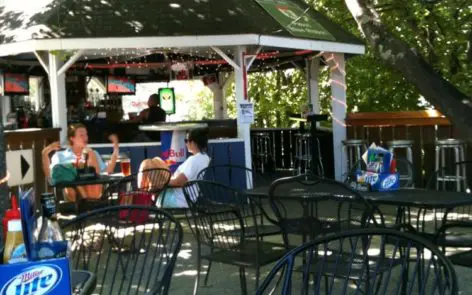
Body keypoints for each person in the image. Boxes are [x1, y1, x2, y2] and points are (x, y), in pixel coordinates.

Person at [42, 123, 120, 202]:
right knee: (69, 183)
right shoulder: (61, 155)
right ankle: (86, 204)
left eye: (86, 134)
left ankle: (89, 203)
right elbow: (50, 177)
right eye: (81, 135)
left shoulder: (93, 154)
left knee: (91, 154)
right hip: (72, 194)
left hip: (93, 191)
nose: (85, 137)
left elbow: (107, 172)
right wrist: (45, 154)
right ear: (72, 138)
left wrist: (116, 148)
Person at [138, 127, 211, 208]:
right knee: (155, 161)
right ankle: (147, 189)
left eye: (186, 140)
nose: (185, 143)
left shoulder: (193, 160)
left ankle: (143, 191)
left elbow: (178, 182)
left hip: (178, 200)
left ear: (193, 143)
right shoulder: (205, 158)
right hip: (188, 197)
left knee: (149, 163)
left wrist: (161, 183)